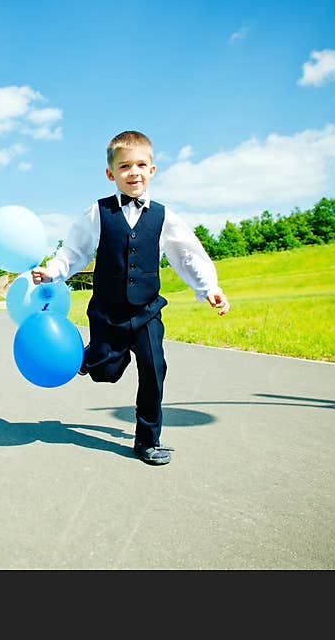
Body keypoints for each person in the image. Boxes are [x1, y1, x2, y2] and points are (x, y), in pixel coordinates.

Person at [31, 130, 229, 466]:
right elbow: (76, 249)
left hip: (147, 311)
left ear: (152, 170)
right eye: (124, 166)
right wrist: (54, 271)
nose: (133, 172)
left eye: (140, 165)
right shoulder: (98, 212)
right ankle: (90, 357)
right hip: (108, 313)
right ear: (111, 174)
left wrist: (208, 287)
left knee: (154, 368)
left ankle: (148, 440)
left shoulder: (165, 216)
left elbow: (187, 254)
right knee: (106, 371)